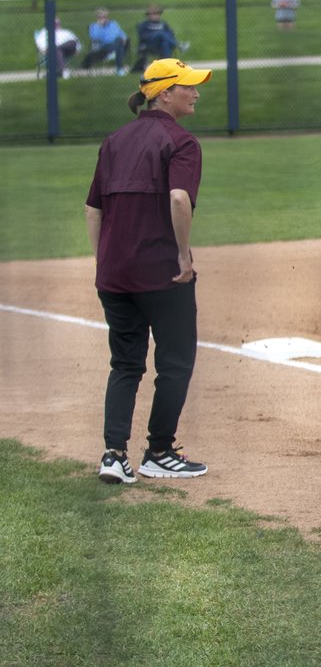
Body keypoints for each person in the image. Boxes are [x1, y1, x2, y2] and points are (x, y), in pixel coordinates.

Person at [85, 57, 213, 484]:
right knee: (175, 362)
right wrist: (182, 256)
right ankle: (159, 451)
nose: (195, 93)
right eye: (188, 86)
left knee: (125, 364)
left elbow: (93, 208)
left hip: (115, 274)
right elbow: (179, 199)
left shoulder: (115, 140)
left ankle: (113, 455)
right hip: (161, 273)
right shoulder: (181, 142)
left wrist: (102, 261)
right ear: (163, 93)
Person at [82, 7, 130, 75]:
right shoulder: (94, 26)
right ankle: (119, 68)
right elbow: (94, 38)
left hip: (117, 43)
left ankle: (115, 59)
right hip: (104, 46)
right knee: (119, 43)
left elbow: (121, 32)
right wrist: (99, 26)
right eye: (100, 17)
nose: (102, 19)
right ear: (97, 18)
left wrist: (124, 37)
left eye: (104, 17)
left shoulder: (114, 23)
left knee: (120, 41)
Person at [133, 4, 180, 71]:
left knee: (165, 43)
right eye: (152, 14)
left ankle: (166, 67)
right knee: (160, 34)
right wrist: (155, 35)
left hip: (161, 45)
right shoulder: (144, 24)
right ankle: (178, 44)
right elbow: (142, 36)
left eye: (157, 13)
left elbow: (171, 34)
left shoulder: (163, 24)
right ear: (148, 15)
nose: (155, 15)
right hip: (150, 44)